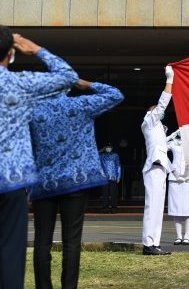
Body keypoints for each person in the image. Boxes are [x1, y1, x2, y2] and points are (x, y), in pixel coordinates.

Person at [0, 30, 77, 289]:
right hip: (11, 181)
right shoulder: (20, 83)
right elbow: (68, 77)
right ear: (10, 53)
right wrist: (36, 50)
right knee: (10, 254)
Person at [29, 78, 123, 289]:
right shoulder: (80, 105)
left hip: (44, 183)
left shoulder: (34, 111)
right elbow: (115, 94)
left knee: (41, 241)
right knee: (71, 240)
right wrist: (87, 84)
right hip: (75, 181)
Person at [141, 66, 174, 256]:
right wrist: (170, 80)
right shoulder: (149, 122)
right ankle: (148, 244)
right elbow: (161, 105)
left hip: (162, 168)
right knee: (152, 206)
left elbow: (165, 143)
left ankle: (154, 243)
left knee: (158, 208)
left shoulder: (159, 128)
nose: (160, 115)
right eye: (156, 113)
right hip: (154, 167)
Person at [166, 132, 189, 245]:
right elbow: (159, 146)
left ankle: (187, 236)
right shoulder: (173, 143)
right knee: (176, 209)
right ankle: (178, 236)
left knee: (188, 209)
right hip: (175, 177)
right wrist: (172, 135)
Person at [99, 144, 122, 213]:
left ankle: (114, 208)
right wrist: (101, 150)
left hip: (113, 176)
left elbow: (118, 166)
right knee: (104, 193)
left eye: (110, 147)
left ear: (112, 148)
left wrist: (118, 176)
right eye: (107, 147)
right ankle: (104, 208)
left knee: (113, 193)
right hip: (104, 177)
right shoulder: (102, 156)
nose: (108, 148)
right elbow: (94, 156)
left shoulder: (115, 155)